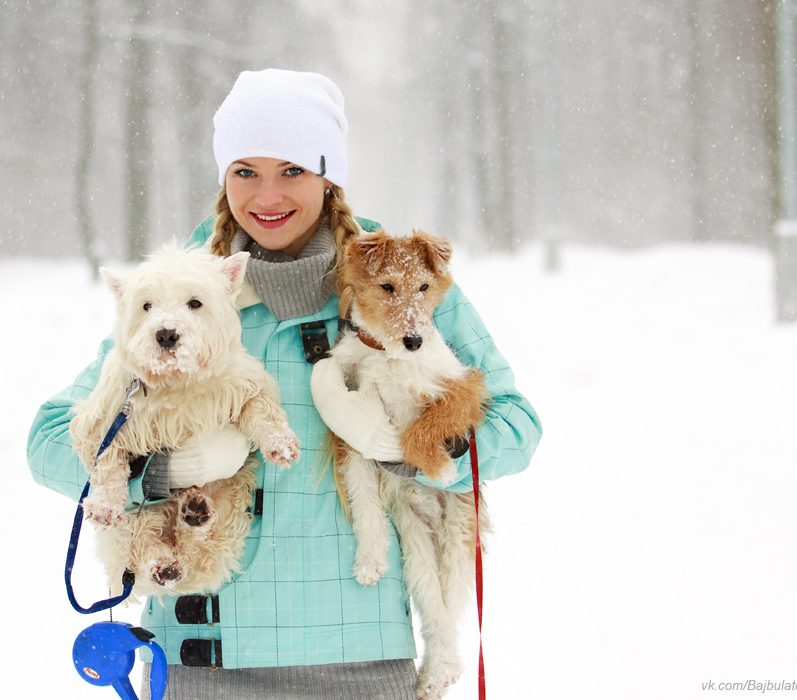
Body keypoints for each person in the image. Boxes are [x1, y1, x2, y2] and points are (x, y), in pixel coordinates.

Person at [27, 68, 542, 700]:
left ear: (330, 175)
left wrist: (407, 448)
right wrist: (158, 469)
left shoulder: (396, 278)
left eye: (292, 169)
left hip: (363, 664)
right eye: (245, 171)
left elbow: (516, 427)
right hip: (203, 661)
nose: (268, 194)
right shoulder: (178, 295)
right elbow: (49, 442)